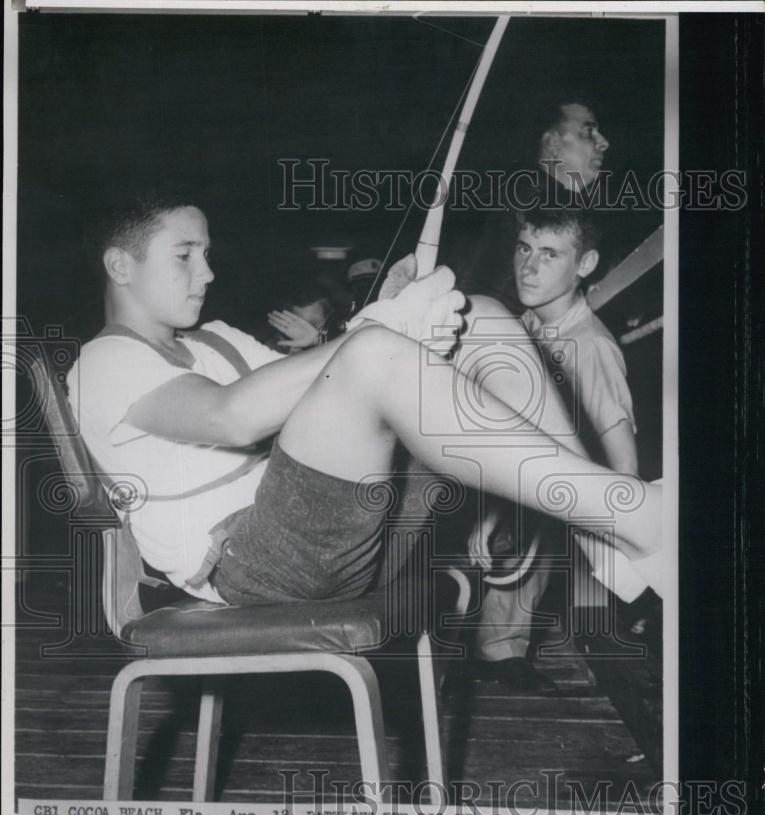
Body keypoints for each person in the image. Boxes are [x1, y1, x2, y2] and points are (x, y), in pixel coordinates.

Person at [67, 194, 660, 612]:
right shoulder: (105, 362)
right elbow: (232, 415)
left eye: (207, 253)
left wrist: (385, 314)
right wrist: (381, 330)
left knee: (476, 315)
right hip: (253, 563)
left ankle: (604, 534)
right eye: (185, 255)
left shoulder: (217, 335)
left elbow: (326, 397)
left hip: (347, 529)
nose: (208, 272)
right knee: (376, 350)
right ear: (121, 265)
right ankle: (635, 515)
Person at [468, 207, 638, 676]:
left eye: (549, 254)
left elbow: (623, 463)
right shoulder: (522, 328)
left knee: (543, 501)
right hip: (517, 483)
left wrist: (626, 544)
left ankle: (500, 649)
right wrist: (489, 514)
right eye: (524, 248)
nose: (528, 266)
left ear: (584, 265)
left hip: (576, 500)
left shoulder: (590, 346)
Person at [462, 97, 610, 314]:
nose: (603, 142)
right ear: (552, 144)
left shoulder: (515, 188)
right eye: (587, 132)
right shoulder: (535, 199)